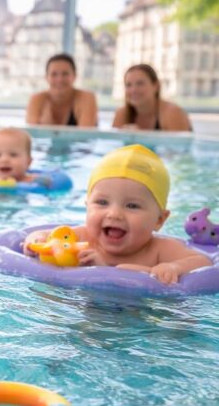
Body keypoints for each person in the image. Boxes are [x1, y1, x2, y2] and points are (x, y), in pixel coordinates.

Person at [23, 144, 211, 284]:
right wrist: (37, 240)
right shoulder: (81, 238)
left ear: (159, 220)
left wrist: (172, 267)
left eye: (132, 205)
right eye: (102, 202)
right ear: (87, 206)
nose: (114, 214)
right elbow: (48, 238)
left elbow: (203, 262)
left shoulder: (159, 250)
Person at [112, 64, 192, 132]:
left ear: (156, 86)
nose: (133, 90)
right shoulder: (122, 113)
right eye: (128, 85)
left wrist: (140, 138)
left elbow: (179, 149)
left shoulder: (172, 113)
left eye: (140, 83)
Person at [26, 53, 98, 128]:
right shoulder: (37, 99)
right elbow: (32, 134)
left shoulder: (86, 98)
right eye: (54, 74)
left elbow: (86, 134)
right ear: (46, 77)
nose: (60, 79)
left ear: (74, 76)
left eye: (65, 74)